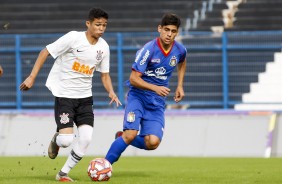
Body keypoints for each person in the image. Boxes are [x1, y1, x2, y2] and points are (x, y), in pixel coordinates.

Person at [20, 8, 121, 182]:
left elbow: (104, 75)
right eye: (98, 24)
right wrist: (31, 77)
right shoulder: (73, 38)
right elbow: (45, 52)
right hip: (65, 96)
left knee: (86, 138)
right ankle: (57, 139)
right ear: (88, 24)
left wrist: (111, 91)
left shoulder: (104, 47)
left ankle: (63, 173)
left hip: (85, 98)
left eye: (104, 25)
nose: (101, 28)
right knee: (66, 141)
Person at [105, 13, 187, 165]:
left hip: (156, 101)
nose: (169, 34)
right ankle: (104, 165)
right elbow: (133, 79)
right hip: (138, 97)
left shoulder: (180, 50)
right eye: (166, 30)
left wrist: (180, 85)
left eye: (173, 31)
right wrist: (155, 87)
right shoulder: (148, 50)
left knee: (153, 142)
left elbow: (182, 62)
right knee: (130, 134)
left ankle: (121, 138)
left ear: (177, 32)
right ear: (159, 29)